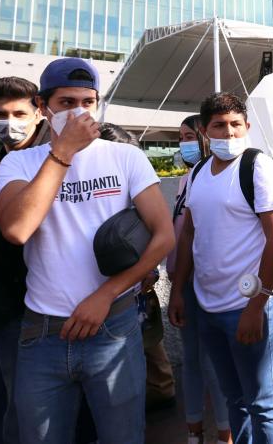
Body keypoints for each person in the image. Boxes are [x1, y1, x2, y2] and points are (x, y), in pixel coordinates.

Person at [0, 58, 175, 444]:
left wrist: (106, 294)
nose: (79, 112)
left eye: (88, 102)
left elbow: (164, 236)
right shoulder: (19, 162)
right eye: (66, 103)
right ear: (43, 108)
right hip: (43, 331)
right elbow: (16, 229)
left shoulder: (125, 157)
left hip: (113, 323)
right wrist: (62, 154)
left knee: (123, 436)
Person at [169, 93, 273, 444]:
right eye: (220, 126)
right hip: (207, 306)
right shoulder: (198, 173)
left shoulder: (259, 167)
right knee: (233, 399)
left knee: (263, 402)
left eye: (236, 124)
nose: (230, 132)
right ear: (206, 130)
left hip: (251, 307)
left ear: (247, 127)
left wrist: (257, 305)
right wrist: (178, 290)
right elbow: (190, 231)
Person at [0, 76, 51, 444]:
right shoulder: (9, 156)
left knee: (22, 406)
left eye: (19, 112)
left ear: (38, 113)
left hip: (26, 307)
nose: (9, 121)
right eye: (0, 113)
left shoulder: (53, 158)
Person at [96, 123, 177, 415]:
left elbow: (157, 231)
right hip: (110, 282)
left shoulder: (137, 184)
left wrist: (150, 269)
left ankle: (160, 391)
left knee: (148, 340)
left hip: (136, 281)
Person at [168, 115, 232, 444]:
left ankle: (225, 433)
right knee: (191, 362)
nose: (184, 143)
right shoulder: (186, 179)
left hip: (212, 284)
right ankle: (194, 431)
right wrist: (176, 288)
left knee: (214, 365)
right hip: (185, 283)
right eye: (181, 137)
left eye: (190, 136)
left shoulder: (221, 178)